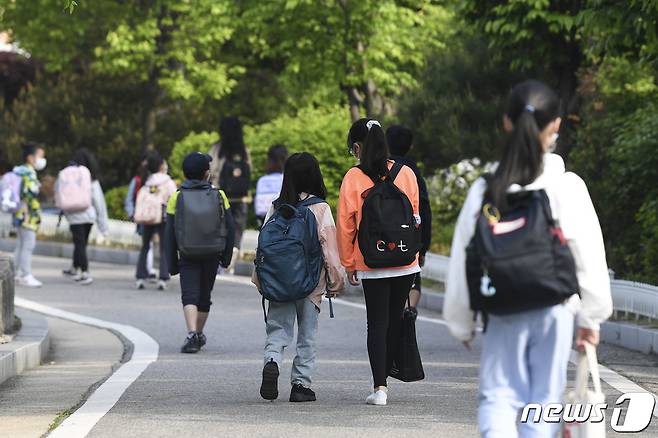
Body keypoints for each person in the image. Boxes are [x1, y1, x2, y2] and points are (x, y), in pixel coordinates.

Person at [443, 80, 613, 438]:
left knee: (499, 396)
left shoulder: (487, 188)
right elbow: (587, 256)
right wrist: (591, 316)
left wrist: (461, 320)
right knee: (543, 399)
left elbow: (464, 255)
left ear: (506, 122)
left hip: (501, 306)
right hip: (554, 307)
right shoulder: (566, 186)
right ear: (556, 125)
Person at [337, 118, 421, 406]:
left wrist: (349, 264)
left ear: (358, 147)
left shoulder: (353, 178)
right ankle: (386, 378)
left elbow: (346, 226)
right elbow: (415, 218)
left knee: (377, 322)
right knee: (395, 318)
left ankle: (380, 388)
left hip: (371, 260)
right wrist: (414, 254)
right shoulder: (406, 173)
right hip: (405, 259)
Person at [254, 152, 345, 403]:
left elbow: (264, 247)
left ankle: (272, 360)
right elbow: (330, 250)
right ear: (315, 176)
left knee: (277, 329)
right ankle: (301, 385)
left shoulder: (276, 206)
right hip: (310, 283)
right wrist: (337, 281)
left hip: (279, 281)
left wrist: (260, 279)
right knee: (307, 335)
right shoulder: (320, 208)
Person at [164, 152, 235, 353]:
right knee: (205, 295)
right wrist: (227, 257)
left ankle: (192, 333)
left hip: (187, 254)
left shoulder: (176, 197)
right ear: (206, 173)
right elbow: (229, 227)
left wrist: (171, 263)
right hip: (213, 253)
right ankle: (198, 333)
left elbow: (169, 233)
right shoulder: (219, 195)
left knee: (189, 295)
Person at [386, 125, 432, 315]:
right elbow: (424, 209)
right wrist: (424, 246)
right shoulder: (414, 172)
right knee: (413, 280)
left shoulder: (379, 168)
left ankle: (396, 313)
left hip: (382, 236)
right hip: (410, 237)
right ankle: (409, 311)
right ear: (410, 146)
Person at [60, 148, 109, 285]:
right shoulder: (91, 179)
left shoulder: (68, 176)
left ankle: (84, 272)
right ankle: (77, 268)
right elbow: (99, 202)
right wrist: (103, 226)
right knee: (82, 244)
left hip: (74, 216)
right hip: (88, 215)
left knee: (79, 243)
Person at [209, 117, 252, 260]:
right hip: (242, 197)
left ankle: (221, 258)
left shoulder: (217, 149)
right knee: (237, 230)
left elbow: (210, 170)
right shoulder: (244, 150)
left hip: (220, 195)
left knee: (220, 228)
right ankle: (234, 253)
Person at [135, 151, 177, 290]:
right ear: (160, 165)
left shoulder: (148, 180)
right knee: (164, 247)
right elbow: (174, 198)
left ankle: (140, 276)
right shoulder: (167, 181)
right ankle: (163, 277)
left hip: (148, 216)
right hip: (163, 216)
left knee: (145, 246)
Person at [13, 142, 46, 287]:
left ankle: (15, 274)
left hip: (19, 214)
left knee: (21, 245)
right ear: (30, 157)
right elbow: (29, 194)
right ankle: (26, 274)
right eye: (39, 156)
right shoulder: (29, 173)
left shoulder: (20, 171)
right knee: (28, 245)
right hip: (28, 216)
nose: (41, 160)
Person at [125, 155, 156, 282]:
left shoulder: (144, 181)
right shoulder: (139, 181)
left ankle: (147, 269)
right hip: (147, 216)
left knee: (148, 243)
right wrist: (132, 213)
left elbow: (128, 199)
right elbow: (129, 199)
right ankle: (148, 269)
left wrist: (132, 213)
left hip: (145, 215)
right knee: (148, 243)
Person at [254, 144, 288, 227]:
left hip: (264, 222)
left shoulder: (262, 181)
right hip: (283, 221)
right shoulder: (287, 179)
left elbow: (259, 210)